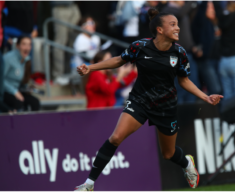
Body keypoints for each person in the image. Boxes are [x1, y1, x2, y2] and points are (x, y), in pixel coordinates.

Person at [75, 8, 223, 191]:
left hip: (166, 106)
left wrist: (205, 97)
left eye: (177, 24)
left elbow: (184, 80)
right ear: (160, 30)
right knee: (115, 137)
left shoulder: (179, 53)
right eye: (173, 24)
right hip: (140, 101)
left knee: (168, 154)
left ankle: (186, 163)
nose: (178, 28)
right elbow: (119, 60)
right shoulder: (140, 46)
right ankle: (88, 184)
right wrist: (91, 68)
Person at [3, 36, 40, 111]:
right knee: (18, 102)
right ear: (17, 46)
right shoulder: (8, 58)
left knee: (35, 102)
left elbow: (22, 81)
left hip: (18, 90)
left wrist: (27, 88)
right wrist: (14, 91)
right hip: (4, 91)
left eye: (29, 45)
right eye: (24, 44)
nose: (27, 47)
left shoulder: (27, 60)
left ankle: (34, 122)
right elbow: (1, 80)